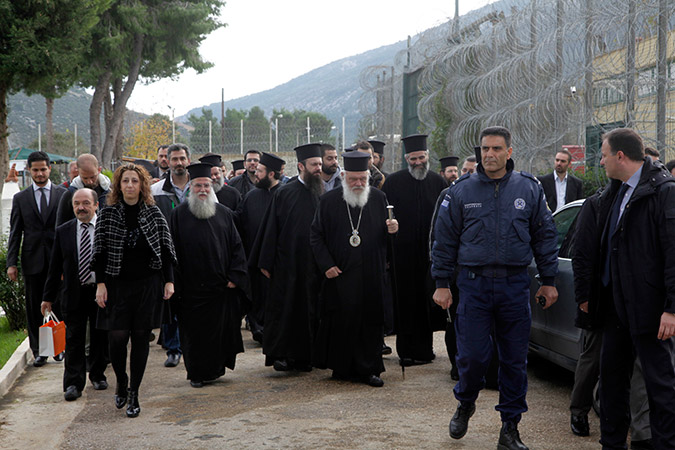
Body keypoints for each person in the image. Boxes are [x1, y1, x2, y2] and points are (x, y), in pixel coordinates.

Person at [431, 126, 559, 450]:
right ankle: (465, 402)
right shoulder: (461, 191)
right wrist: (442, 284)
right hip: (473, 286)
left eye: (496, 149)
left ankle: (510, 428)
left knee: (514, 360)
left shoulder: (529, 189)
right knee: (473, 356)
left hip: (515, 286)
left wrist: (549, 281)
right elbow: (443, 242)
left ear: (509, 152)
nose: (489, 155)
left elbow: (545, 237)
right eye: (485, 149)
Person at [594, 128, 675, 449]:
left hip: (651, 310)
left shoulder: (663, 191)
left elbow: (672, 252)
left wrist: (671, 308)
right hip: (617, 308)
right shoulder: (616, 191)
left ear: (620, 156)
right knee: (612, 385)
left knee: (661, 388)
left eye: (603, 155)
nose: (600, 161)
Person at [93, 164, 176, 418]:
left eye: (134, 181)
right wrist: (100, 284)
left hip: (147, 285)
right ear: (118, 185)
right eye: (125, 181)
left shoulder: (153, 213)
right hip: (116, 284)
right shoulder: (107, 214)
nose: (130, 185)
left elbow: (166, 250)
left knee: (141, 338)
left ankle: (134, 394)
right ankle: (121, 380)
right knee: (117, 338)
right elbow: (99, 252)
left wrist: (169, 281)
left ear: (142, 186)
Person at [310, 152, 399, 387]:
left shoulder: (379, 199)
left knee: (369, 322)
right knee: (342, 321)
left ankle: (369, 369)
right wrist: (326, 265)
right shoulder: (328, 201)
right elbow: (316, 236)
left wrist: (393, 228)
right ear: (343, 176)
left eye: (362, 179)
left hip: (371, 273)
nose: (358, 184)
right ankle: (341, 367)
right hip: (341, 273)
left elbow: (388, 234)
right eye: (353, 179)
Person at [169, 163, 248, 388]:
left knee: (218, 333)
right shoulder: (178, 215)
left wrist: (235, 275)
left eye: (206, 185)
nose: (202, 189)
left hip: (220, 288)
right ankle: (196, 372)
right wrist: (175, 283)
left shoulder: (223, 213)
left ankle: (215, 369)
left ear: (212, 187)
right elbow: (171, 251)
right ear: (190, 188)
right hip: (191, 291)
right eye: (197, 186)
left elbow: (236, 246)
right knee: (195, 336)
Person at [250, 143, 323, 372]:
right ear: (301, 166)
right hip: (287, 266)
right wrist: (266, 262)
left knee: (310, 311)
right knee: (286, 311)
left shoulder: (322, 193)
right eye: (314, 165)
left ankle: (307, 357)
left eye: (320, 164)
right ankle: (282, 356)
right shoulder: (284, 193)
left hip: (314, 266)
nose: (318, 169)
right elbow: (270, 228)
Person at [381, 134, 446, 367]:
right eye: (413, 158)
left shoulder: (438, 183)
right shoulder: (393, 182)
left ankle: (425, 350)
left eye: (421, 157)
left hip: (429, 255)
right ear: (406, 158)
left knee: (426, 302)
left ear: (427, 157)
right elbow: (384, 216)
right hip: (402, 255)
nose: (418, 162)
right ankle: (407, 352)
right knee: (406, 302)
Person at [41, 188, 109, 401]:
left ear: (96, 205)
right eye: (77, 204)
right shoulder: (64, 231)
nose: (81, 207)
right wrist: (48, 297)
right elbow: (55, 267)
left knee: (100, 336)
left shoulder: (106, 229)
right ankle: (72, 383)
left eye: (86, 203)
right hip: (74, 293)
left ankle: (98, 375)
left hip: (101, 292)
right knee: (74, 338)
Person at [7, 151, 67, 367]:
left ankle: (59, 348)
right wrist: (11, 263)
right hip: (32, 261)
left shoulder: (63, 194)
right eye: (35, 170)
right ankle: (40, 351)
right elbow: (15, 232)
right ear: (29, 171)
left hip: (57, 260)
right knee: (34, 308)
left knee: (59, 305)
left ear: (50, 169)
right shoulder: (21, 199)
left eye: (43, 169)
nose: (40, 173)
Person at [235, 152, 286, 344]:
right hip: (254, 259)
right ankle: (258, 328)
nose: (256, 174)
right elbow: (239, 222)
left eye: (260, 171)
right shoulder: (251, 196)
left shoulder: (286, 194)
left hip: (279, 261)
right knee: (257, 296)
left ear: (271, 174)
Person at [151, 143, 190, 368]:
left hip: (194, 255)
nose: (178, 163)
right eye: (173, 159)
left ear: (188, 160)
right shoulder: (157, 191)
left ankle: (190, 345)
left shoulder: (200, 186)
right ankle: (173, 349)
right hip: (167, 255)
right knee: (170, 303)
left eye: (181, 158)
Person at [56, 154, 111, 226]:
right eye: (85, 178)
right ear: (78, 172)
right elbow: (61, 226)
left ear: (99, 170)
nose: (89, 181)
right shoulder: (70, 194)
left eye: (93, 177)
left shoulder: (110, 192)